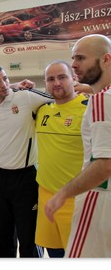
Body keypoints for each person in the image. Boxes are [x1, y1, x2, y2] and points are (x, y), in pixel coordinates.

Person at [0, 64, 52, 258]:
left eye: (6, 79)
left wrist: (84, 87)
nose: (4, 84)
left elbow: (61, 96)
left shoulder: (25, 97)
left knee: (29, 238)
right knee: (0, 236)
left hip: (26, 178)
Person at [45, 34, 111, 257]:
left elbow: (105, 164)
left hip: (99, 197)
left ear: (106, 60)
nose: (74, 64)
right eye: (73, 58)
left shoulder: (102, 100)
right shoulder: (100, 95)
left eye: (81, 58)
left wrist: (63, 194)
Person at [35, 61, 88, 257]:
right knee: (54, 253)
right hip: (46, 196)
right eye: (50, 79)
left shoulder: (89, 109)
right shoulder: (42, 110)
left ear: (74, 79)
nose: (56, 83)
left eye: (62, 77)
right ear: (45, 84)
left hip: (77, 200)